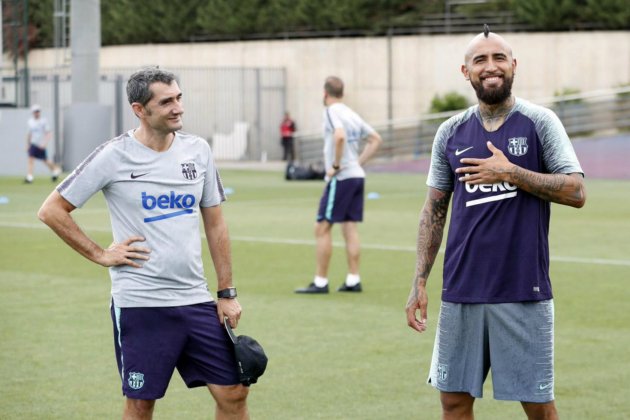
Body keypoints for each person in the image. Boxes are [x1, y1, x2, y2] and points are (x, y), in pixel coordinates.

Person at [38, 67, 250, 420]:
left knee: (234, 392)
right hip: (141, 304)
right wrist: (101, 254)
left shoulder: (198, 151)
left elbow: (215, 224)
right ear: (140, 109)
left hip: (196, 300)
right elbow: (52, 210)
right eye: (166, 101)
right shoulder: (113, 155)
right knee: (140, 404)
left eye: (179, 97)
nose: (178, 107)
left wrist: (226, 293)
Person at [405, 29, 586, 419]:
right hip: (461, 291)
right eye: (480, 60)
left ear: (514, 65)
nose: (491, 67)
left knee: (538, 407)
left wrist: (511, 172)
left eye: (499, 58)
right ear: (465, 71)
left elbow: (576, 191)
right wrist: (419, 280)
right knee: (453, 402)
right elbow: (433, 210)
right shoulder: (450, 132)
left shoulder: (540, 122)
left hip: (522, 289)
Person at [295, 76, 382, 294]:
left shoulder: (331, 112)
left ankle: (320, 282)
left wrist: (336, 165)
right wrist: (357, 163)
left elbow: (340, 137)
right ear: (342, 93)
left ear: (325, 94)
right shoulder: (351, 113)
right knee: (349, 227)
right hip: (356, 176)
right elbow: (375, 139)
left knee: (322, 227)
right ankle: (353, 279)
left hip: (341, 178)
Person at [25, 104, 62, 184]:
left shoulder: (43, 121)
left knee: (45, 160)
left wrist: (44, 143)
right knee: (30, 159)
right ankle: (30, 177)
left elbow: (48, 133)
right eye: (35, 111)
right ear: (33, 112)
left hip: (40, 144)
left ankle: (56, 169)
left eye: (38, 111)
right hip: (33, 144)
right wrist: (28, 144)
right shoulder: (30, 122)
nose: (37, 113)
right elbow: (29, 134)